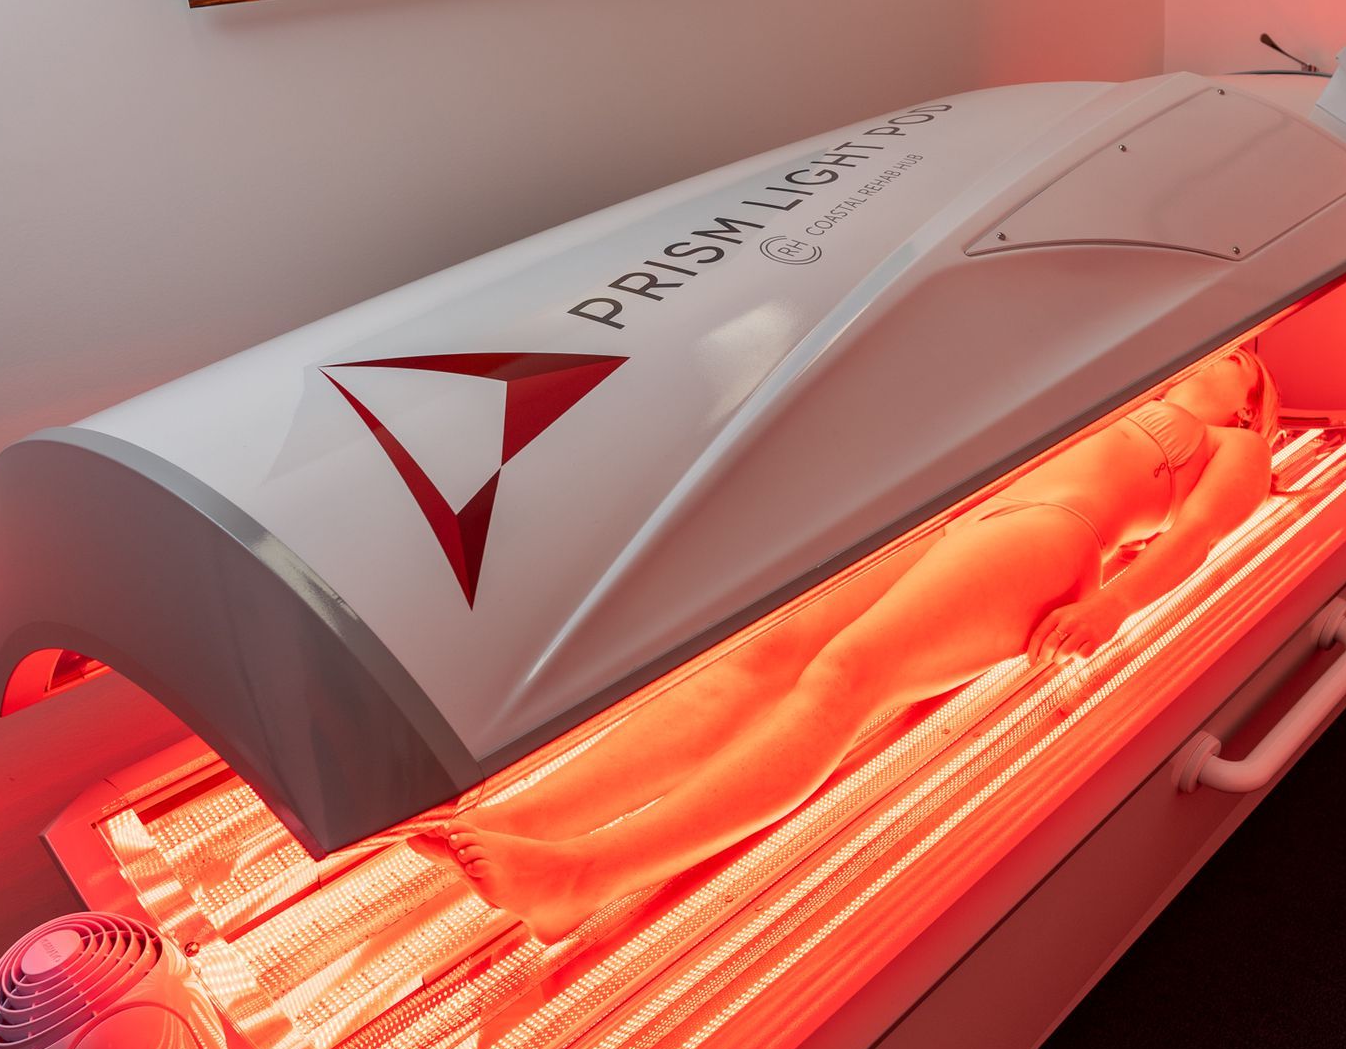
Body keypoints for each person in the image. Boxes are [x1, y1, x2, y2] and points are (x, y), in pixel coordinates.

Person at [415, 349, 1280, 941]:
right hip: (975, 507)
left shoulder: (1234, 444)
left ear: (1247, 396)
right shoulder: (1137, 370)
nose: (1228, 349)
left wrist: (1117, 603)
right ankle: (525, 819)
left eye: (1242, 356)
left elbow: (1195, 537)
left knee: (845, 675)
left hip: (1056, 532)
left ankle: (588, 875)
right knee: (764, 654)